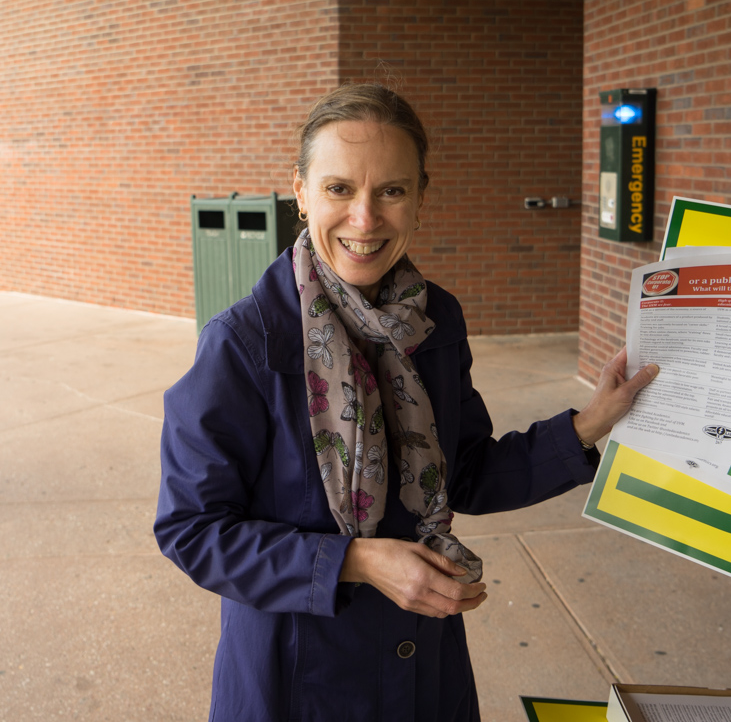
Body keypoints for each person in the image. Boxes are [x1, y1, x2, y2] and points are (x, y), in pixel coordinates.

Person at [154, 83, 658, 722]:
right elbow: (193, 529)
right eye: (339, 188)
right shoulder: (244, 343)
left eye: (391, 190)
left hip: (421, 670)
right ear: (301, 193)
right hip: (299, 683)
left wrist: (590, 423)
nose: (365, 219)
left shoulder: (436, 320)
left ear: (421, 196)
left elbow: (465, 474)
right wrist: (357, 562)